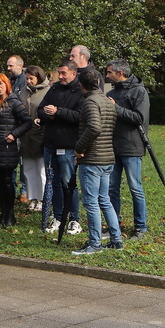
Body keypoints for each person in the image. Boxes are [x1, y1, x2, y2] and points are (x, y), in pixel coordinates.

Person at [72, 69, 123, 255]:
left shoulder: (90, 101)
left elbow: (94, 127)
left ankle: (95, 243)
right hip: (108, 157)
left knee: (91, 202)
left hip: (93, 159)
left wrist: (79, 148)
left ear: (81, 85)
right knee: (105, 200)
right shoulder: (107, 101)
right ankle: (116, 239)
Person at [38, 60, 83, 235]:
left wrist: (59, 112)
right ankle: (58, 216)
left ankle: (74, 219)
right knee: (54, 182)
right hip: (50, 144)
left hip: (69, 145)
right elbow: (40, 110)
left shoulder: (80, 91)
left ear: (73, 73)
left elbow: (80, 116)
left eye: (64, 73)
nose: (61, 76)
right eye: (59, 73)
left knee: (68, 183)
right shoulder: (54, 88)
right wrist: (50, 115)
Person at [106, 59, 149, 239]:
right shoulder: (110, 92)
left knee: (135, 188)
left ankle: (141, 227)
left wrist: (115, 108)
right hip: (112, 148)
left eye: (109, 72)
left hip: (132, 147)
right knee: (112, 188)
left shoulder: (139, 91)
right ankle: (113, 226)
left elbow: (139, 118)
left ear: (120, 72)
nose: (107, 76)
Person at [0, 74, 32, 227]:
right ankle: (3, 212)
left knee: (7, 181)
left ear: (6, 85)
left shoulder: (13, 102)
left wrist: (14, 134)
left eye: (1, 84)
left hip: (7, 148)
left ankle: (9, 213)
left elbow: (27, 122)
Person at [19, 66, 50, 212]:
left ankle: (44, 199)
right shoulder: (23, 92)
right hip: (26, 135)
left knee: (41, 169)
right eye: (27, 78)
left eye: (32, 78)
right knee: (29, 169)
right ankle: (33, 198)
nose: (29, 81)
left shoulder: (48, 91)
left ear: (39, 77)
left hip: (41, 134)